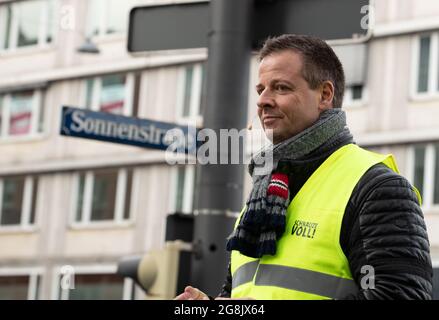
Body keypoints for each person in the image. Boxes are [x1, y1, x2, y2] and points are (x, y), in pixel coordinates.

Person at [175, 34, 433, 300]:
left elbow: (402, 295)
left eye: (281, 87)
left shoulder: (377, 187)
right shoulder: (262, 194)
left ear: (324, 95)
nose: (263, 100)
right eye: (260, 89)